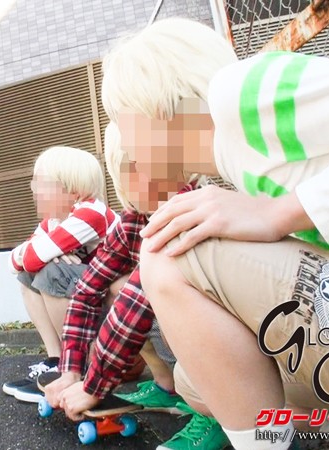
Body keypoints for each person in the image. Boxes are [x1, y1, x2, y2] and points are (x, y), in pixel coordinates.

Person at [102, 17, 329, 450]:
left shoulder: (238, 92)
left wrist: (280, 213)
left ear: (153, 107)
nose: (124, 141)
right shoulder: (238, 166)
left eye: (121, 120)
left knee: (167, 254)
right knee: (198, 380)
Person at [45, 122, 231, 450]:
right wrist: (71, 369)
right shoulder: (135, 220)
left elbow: (137, 303)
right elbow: (87, 290)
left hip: (240, 336)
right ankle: (167, 385)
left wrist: (93, 386)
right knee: (115, 287)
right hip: (196, 326)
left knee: (150, 293)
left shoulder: (189, 209)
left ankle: (220, 414)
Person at [2, 146, 119, 403]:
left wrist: (41, 255)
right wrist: (41, 253)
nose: (33, 190)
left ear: (73, 192)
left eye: (41, 183)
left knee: (51, 271)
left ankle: (75, 368)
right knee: (28, 276)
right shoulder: (53, 221)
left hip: (117, 304)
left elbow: (31, 257)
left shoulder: (91, 213)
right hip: (90, 295)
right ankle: (56, 361)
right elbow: (14, 262)